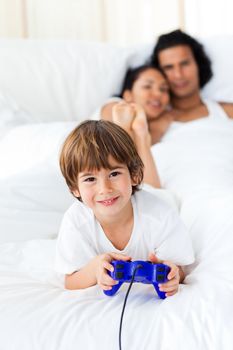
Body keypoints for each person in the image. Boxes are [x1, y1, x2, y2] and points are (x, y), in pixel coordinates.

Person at [55, 120, 194, 296]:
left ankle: (141, 137)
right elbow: (70, 281)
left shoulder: (161, 214)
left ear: (134, 176)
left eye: (114, 174)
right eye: (90, 179)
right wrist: (95, 268)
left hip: (156, 196)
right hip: (129, 194)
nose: (104, 189)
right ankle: (128, 130)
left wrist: (173, 274)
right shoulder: (76, 221)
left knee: (154, 188)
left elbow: (179, 270)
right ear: (75, 189)